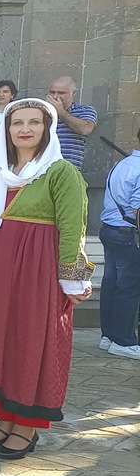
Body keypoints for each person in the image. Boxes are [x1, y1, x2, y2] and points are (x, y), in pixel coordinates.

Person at [0, 98, 93, 459]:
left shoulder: (61, 172)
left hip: (36, 270)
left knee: (29, 341)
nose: (25, 129)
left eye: (34, 122)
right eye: (17, 122)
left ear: (48, 128)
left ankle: (27, 425)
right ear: (7, 129)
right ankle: (4, 420)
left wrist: (73, 277)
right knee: (0, 338)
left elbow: (73, 227)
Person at [99, 138, 140, 359]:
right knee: (129, 288)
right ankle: (123, 341)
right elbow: (137, 209)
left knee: (111, 284)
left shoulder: (123, 164)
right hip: (127, 233)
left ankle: (108, 336)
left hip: (109, 229)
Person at [47, 76, 98, 171]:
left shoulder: (85, 110)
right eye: (52, 92)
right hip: (42, 170)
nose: (55, 96)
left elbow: (85, 129)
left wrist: (61, 112)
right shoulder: (42, 112)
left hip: (68, 170)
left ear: (73, 93)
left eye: (61, 93)